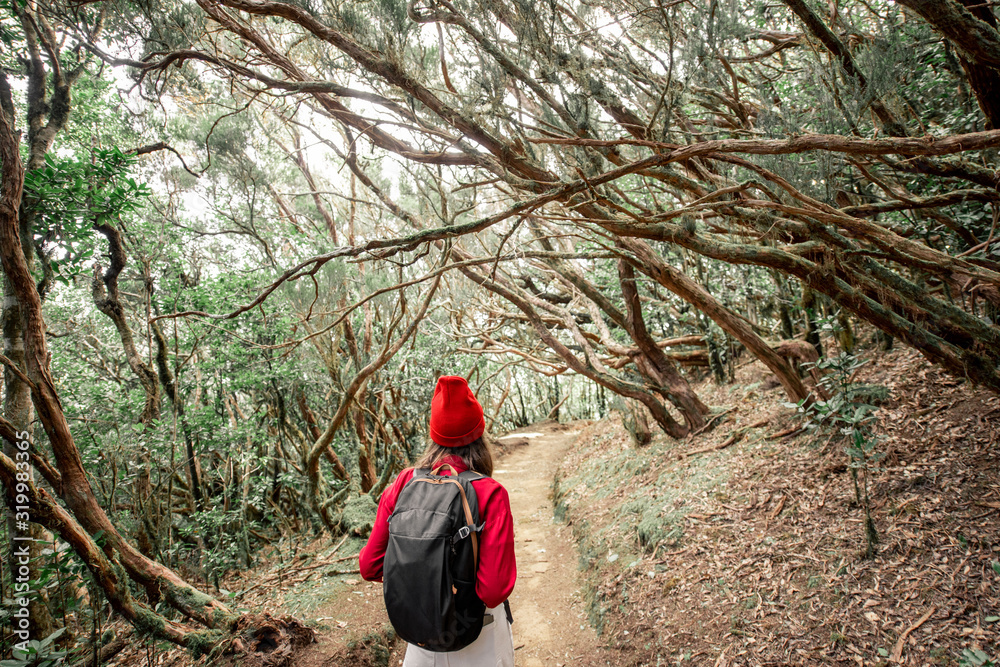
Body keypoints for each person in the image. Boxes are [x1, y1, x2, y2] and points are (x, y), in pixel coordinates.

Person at [359, 375, 517, 666]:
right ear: (480, 434)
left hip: (420, 638)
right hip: (478, 636)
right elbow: (493, 591)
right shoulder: (490, 493)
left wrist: (420, 575)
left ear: (433, 434)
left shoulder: (404, 483)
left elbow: (369, 566)